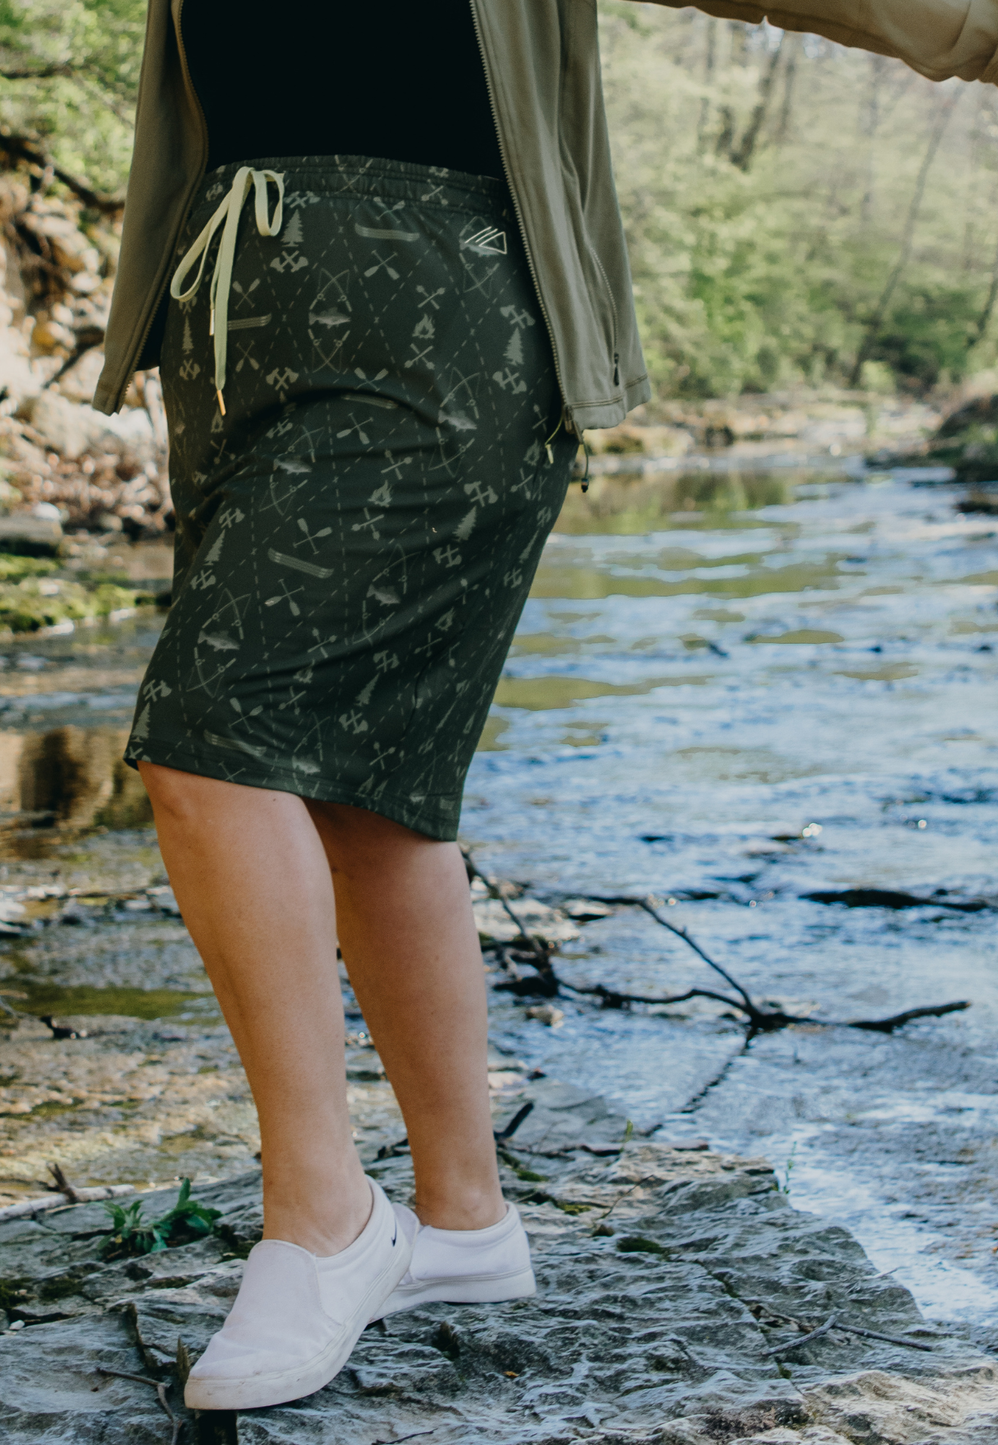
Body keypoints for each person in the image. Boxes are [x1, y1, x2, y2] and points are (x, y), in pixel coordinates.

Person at [92, 0, 998, 1413]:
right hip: (236, 315)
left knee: (214, 742)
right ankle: (464, 1218)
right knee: (368, 788)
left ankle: (323, 1217)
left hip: (445, 322)